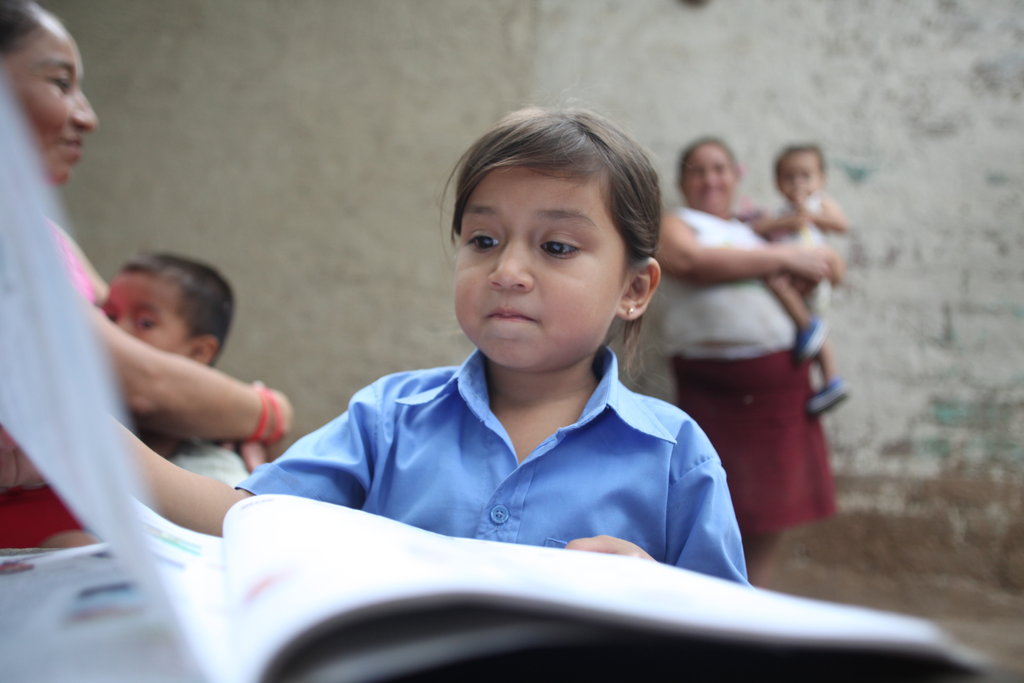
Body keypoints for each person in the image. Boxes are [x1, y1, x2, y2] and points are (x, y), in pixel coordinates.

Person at [7, 107, 749, 583]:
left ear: (635, 288)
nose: (509, 271)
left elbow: (739, 632)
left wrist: (660, 591)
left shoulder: (675, 454)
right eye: (482, 239)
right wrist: (79, 431)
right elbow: (243, 514)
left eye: (556, 245)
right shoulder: (391, 417)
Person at [0, 0, 291, 547]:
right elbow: (145, 381)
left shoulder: (40, 234)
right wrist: (266, 411)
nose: (87, 116)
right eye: (60, 83)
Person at [656, 136, 843, 587]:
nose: (709, 179)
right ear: (682, 181)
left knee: (772, 507)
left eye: (719, 168)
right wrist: (785, 255)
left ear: (736, 176)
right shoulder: (677, 224)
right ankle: (704, 599)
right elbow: (688, 260)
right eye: (698, 170)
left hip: (781, 384)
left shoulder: (752, 229)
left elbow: (829, 266)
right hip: (713, 389)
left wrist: (811, 255)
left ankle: (749, 593)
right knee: (710, 500)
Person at [103, 252, 266, 486]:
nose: (116, 331)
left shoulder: (216, 476)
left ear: (199, 352)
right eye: (109, 316)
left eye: (145, 323)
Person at [753, 144, 850, 415]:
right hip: (796, 273)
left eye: (806, 176)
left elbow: (842, 224)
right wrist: (783, 222)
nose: (798, 183)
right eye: (789, 177)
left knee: (816, 329)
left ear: (821, 179)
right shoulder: (783, 212)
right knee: (778, 283)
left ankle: (809, 329)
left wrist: (812, 215)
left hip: (815, 269)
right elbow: (758, 229)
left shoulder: (819, 204)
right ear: (778, 183)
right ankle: (831, 380)